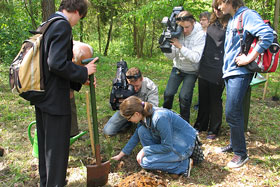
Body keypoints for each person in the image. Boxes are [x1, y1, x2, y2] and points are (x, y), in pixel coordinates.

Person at [32, 0, 98, 186]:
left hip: (42, 95)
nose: (78, 21)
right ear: (77, 11)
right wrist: (84, 71)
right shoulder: (62, 26)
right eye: (80, 17)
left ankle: (48, 182)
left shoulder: (49, 22)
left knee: (47, 147)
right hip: (55, 100)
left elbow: (49, 65)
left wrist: (78, 79)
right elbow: (56, 63)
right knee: (57, 150)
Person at [216, 0, 273, 168]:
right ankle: (234, 144)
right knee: (236, 111)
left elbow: (267, 35)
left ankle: (241, 154)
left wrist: (249, 58)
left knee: (232, 112)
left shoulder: (248, 15)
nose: (219, 7)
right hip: (230, 72)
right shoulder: (234, 18)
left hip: (239, 73)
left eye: (220, 3)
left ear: (228, 1)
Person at [111, 96, 199, 176]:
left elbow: (167, 146)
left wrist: (145, 150)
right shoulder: (144, 115)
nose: (129, 121)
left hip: (184, 146)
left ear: (136, 114)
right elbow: (136, 136)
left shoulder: (159, 118)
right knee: (141, 131)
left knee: (145, 162)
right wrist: (120, 155)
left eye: (129, 118)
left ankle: (183, 166)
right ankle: (159, 160)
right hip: (172, 142)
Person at [194, 0, 230, 140]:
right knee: (203, 97)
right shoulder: (210, 24)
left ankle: (214, 129)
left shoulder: (230, 26)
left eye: (219, 8)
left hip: (219, 67)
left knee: (215, 99)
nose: (217, 11)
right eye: (215, 8)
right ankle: (200, 125)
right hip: (205, 66)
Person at [163, 10, 205, 122]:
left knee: (184, 97)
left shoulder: (200, 35)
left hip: (191, 71)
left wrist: (180, 46)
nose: (185, 30)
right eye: (182, 27)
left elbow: (196, 58)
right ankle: (165, 118)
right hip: (178, 68)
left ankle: (184, 122)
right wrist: (166, 46)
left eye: (187, 27)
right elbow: (171, 56)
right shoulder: (177, 31)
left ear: (193, 22)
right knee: (168, 94)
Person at [103, 67, 158, 136]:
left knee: (145, 133)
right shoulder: (122, 84)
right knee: (108, 131)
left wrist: (137, 106)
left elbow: (152, 108)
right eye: (132, 86)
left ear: (141, 79)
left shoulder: (150, 87)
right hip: (127, 111)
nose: (135, 89)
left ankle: (136, 124)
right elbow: (111, 107)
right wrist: (118, 101)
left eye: (137, 86)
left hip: (143, 114)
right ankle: (129, 122)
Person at [70, 41, 94, 137]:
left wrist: (83, 78)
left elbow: (75, 72)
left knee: (69, 93)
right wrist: (81, 75)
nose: (85, 67)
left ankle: (73, 132)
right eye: (82, 64)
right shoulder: (61, 55)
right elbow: (65, 72)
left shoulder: (80, 49)